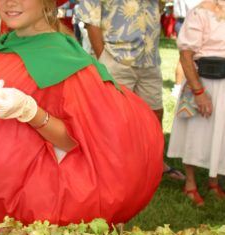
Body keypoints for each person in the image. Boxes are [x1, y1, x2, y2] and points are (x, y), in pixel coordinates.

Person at [0, 0, 163, 226]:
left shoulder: (64, 60)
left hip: (42, 212)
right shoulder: (8, 43)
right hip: (5, 205)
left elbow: (76, 143)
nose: (9, 2)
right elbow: (1, 97)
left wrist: (31, 112)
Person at [77, 0, 185, 181]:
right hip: (115, 58)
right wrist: (103, 58)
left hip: (149, 58)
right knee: (115, 117)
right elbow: (91, 21)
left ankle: (155, 163)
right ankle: (114, 166)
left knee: (155, 112)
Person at [167, 0, 225, 206]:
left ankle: (213, 181)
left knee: (220, 133)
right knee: (194, 133)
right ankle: (190, 184)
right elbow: (185, 55)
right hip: (203, 81)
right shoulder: (199, 12)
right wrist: (198, 91)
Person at [172, 0, 202, 98]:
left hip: (183, 19)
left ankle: (179, 87)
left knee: (185, 56)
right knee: (186, 56)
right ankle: (178, 87)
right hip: (189, 19)